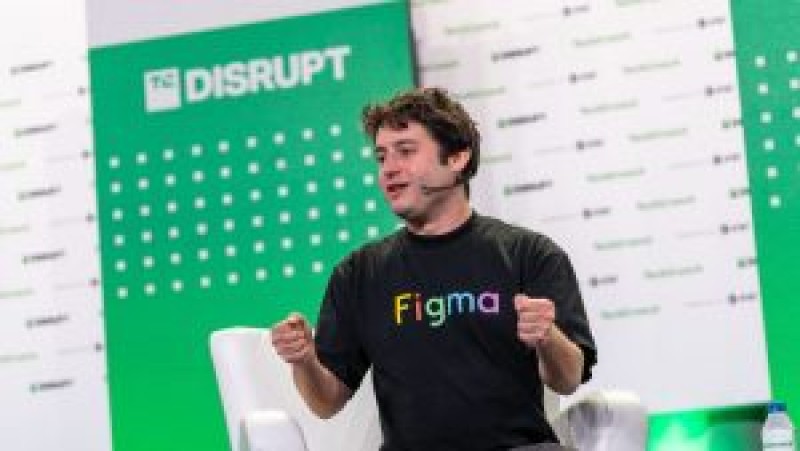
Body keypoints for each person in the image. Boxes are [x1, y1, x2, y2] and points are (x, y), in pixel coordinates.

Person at [271, 87, 597, 450]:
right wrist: (304, 361)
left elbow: (568, 379)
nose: (389, 169)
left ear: (457, 157)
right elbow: (325, 402)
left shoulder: (530, 254)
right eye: (381, 157)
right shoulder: (359, 274)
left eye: (406, 151)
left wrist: (547, 337)